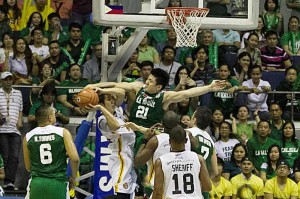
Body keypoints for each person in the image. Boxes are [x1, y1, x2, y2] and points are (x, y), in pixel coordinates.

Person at [87, 88, 137, 198]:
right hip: (120, 158)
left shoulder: (118, 111)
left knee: (128, 194)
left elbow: (122, 92)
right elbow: (115, 126)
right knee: (121, 194)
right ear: (101, 104)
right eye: (109, 99)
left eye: (113, 99)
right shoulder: (102, 120)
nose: (113, 101)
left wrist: (103, 90)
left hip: (129, 155)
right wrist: (100, 108)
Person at [126, 111, 190, 196]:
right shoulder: (186, 138)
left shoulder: (156, 140)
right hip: (179, 190)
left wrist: (145, 139)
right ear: (178, 123)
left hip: (157, 188)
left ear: (162, 123)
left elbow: (138, 162)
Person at [23, 104, 79, 199]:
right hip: (57, 183)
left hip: (37, 184)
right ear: (50, 118)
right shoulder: (62, 132)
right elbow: (75, 158)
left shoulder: (28, 136)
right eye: (54, 114)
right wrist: (73, 177)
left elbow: (28, 167)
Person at [152, 126, 211, 199]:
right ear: (186, 141)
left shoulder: (161, 161)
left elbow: (158, 192)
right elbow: (207, 187)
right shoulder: (198, 159)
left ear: (170, 141)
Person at [0, 71, 23, 190]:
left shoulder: (18, 93)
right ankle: (5, 181)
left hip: (14, 129)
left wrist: (20, 120)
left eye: (10, 79)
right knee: (6, 156)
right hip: (2, 129)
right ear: (1, 81)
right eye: (6, 79)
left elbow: (20, 108)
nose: (9, 82)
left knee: (14, 156)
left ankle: (10, 181)